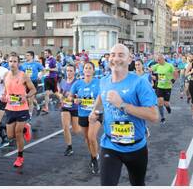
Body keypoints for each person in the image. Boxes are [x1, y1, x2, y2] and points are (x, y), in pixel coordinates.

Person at [89, 44, 159, 186]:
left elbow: (154, 115)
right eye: (113, 54)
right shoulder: (103, 81)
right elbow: (101, 97)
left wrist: (122, 104)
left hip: (136, 148)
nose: (116, 58)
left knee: (137, 184)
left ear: (129, 59)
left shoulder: (140, 83)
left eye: (121, 55)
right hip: (110, 145)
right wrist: (93, 111)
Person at [1, 53, 36, 167]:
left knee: (18, 132)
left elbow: (33, 90)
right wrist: (4, 96)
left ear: (18, 63)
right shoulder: (6, 75)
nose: (12, 64)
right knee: (10, 136)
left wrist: (25, 97)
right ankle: (26, 128)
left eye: (15, 61)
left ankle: (20, 157)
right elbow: (6, 91)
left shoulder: (23, 75)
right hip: (10, 108)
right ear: (8, 62)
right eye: (10, 61)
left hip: (22, 108)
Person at [69, 62, 101, 174]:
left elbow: (104, 95)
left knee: (92, 137)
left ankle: (95, 161)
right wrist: (74, 100)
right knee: (87, 138)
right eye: (86, 68)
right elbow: (70, 96)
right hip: (82, 114)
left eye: (90, 68)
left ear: (93, 71)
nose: (87, 70)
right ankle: (93, 156)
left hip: (96, 114)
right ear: (83, 70)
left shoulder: (99, 82)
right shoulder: (77, 84)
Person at [56, 64, 80, 156]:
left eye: (71, 71)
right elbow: (60, 93)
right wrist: (60, 96)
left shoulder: (77, 83)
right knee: (65, 127)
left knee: (76, 130)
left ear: (74, 72)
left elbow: (80, 95)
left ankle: (85, 125)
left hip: (74, 108)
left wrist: (74, 97)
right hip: (65, 107)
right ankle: (69, 147)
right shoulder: (63, 82)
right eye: (67, 71)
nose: (69, 72)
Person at [150, 53, 177, 124]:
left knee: (166, 103)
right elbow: (149, 69)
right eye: (157, 60)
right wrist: (150, 74)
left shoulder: (169, 66)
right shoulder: (157, 66)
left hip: (167, 87)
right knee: (160, 102)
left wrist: (173, 80)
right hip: (159, 86)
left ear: (163, 59)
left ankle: (168, 107)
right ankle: (162, 117)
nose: (157, 61)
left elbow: (175, 73)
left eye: (159, 60)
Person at [20, 51, 44, 119]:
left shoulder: (36, 64)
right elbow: (21, 73)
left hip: (33, 82)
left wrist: (40, 75)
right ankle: (38, 106)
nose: (26, 56)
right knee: (28, 98)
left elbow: (44, 70)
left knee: (30, 99)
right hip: (25, 83)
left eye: (27, 55)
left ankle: (29, 115)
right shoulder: (23, 65)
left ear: (32, 56)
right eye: (26, 55)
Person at [42, 49, 58, 114]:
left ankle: (63, 101)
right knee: (46, 93)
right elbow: (46, 69)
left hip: (52, 78)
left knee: (56, 93)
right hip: (47, 78)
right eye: (44, 53)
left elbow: (56, 69)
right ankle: (46, 108)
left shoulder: (53, 60)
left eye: (46, 53)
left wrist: (49, 69)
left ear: (49, 53)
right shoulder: (46, 60)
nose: (45, 54)